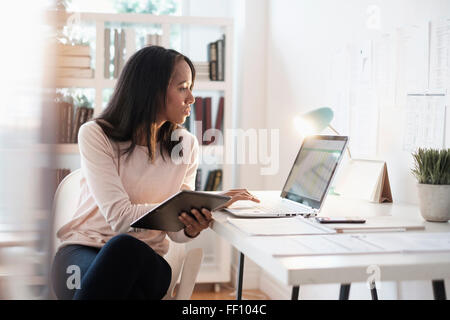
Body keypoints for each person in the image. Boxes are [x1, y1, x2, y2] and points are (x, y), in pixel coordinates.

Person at [51, 45, 259, 300]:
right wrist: (176, 208)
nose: (191, 98)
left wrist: (191, 225)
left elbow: (175, 233)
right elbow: (120, 218)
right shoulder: (96, 134)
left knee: (125, 251)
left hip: (146, 261)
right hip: (81, 253)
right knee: (124, 280)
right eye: (183, 87)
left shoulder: (186, 145)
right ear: (151, 90)